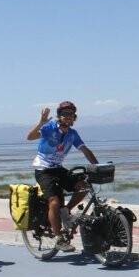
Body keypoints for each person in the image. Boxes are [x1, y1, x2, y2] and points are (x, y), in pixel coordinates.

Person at [26, 101, 99, 252]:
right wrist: (41, 122)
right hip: (43, 170)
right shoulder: (49, 128)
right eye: (65, 114)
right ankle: (59, 238)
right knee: (54, 201)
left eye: (71, 114)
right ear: (59, 116)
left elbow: (85, 150)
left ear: (74, 118)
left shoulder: (72, 134)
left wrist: (97, 166)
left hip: (58, 169)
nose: (68, 117)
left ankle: (65, 210)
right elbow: (30, 137)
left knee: (84, 185)